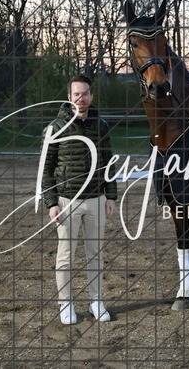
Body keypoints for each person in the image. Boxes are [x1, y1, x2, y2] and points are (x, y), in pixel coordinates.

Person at [41, 75, 117, 325]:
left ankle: (96, 302)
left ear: (91, 96)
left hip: (97, 199)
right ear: (69, 97)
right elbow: (46, 169)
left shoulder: (101, 126)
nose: (81, 98)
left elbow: (108, 162)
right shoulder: (55, 128)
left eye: (85, 94)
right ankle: (66, 304)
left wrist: (111, 196)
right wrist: (52, 202)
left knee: (96, 254)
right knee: (66, 256)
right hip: (67, 201)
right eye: (76, 94)